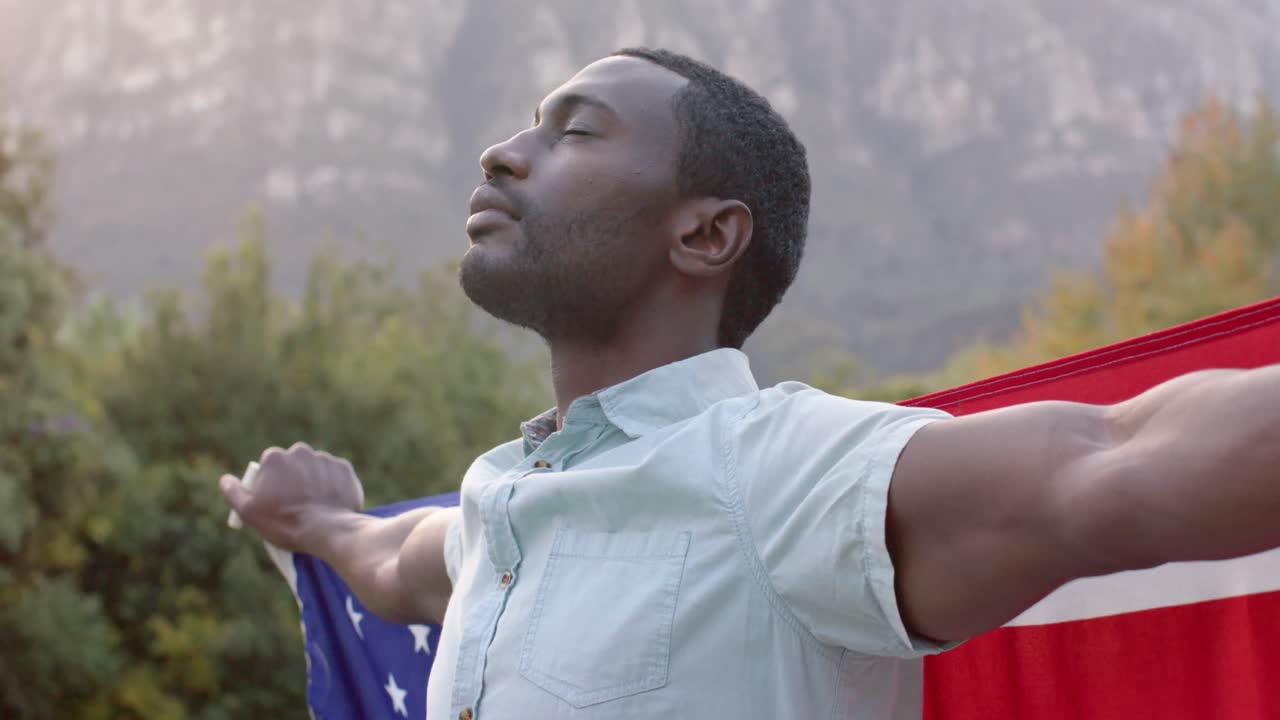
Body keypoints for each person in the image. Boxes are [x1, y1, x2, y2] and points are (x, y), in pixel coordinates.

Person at [218, 47, 1280, 719]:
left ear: (705, 233)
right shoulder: (494, 507)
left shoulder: (781, 472)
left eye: (573, 130)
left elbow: (1118, 460)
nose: (499, 154)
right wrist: (312, 520)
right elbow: (389, 557)